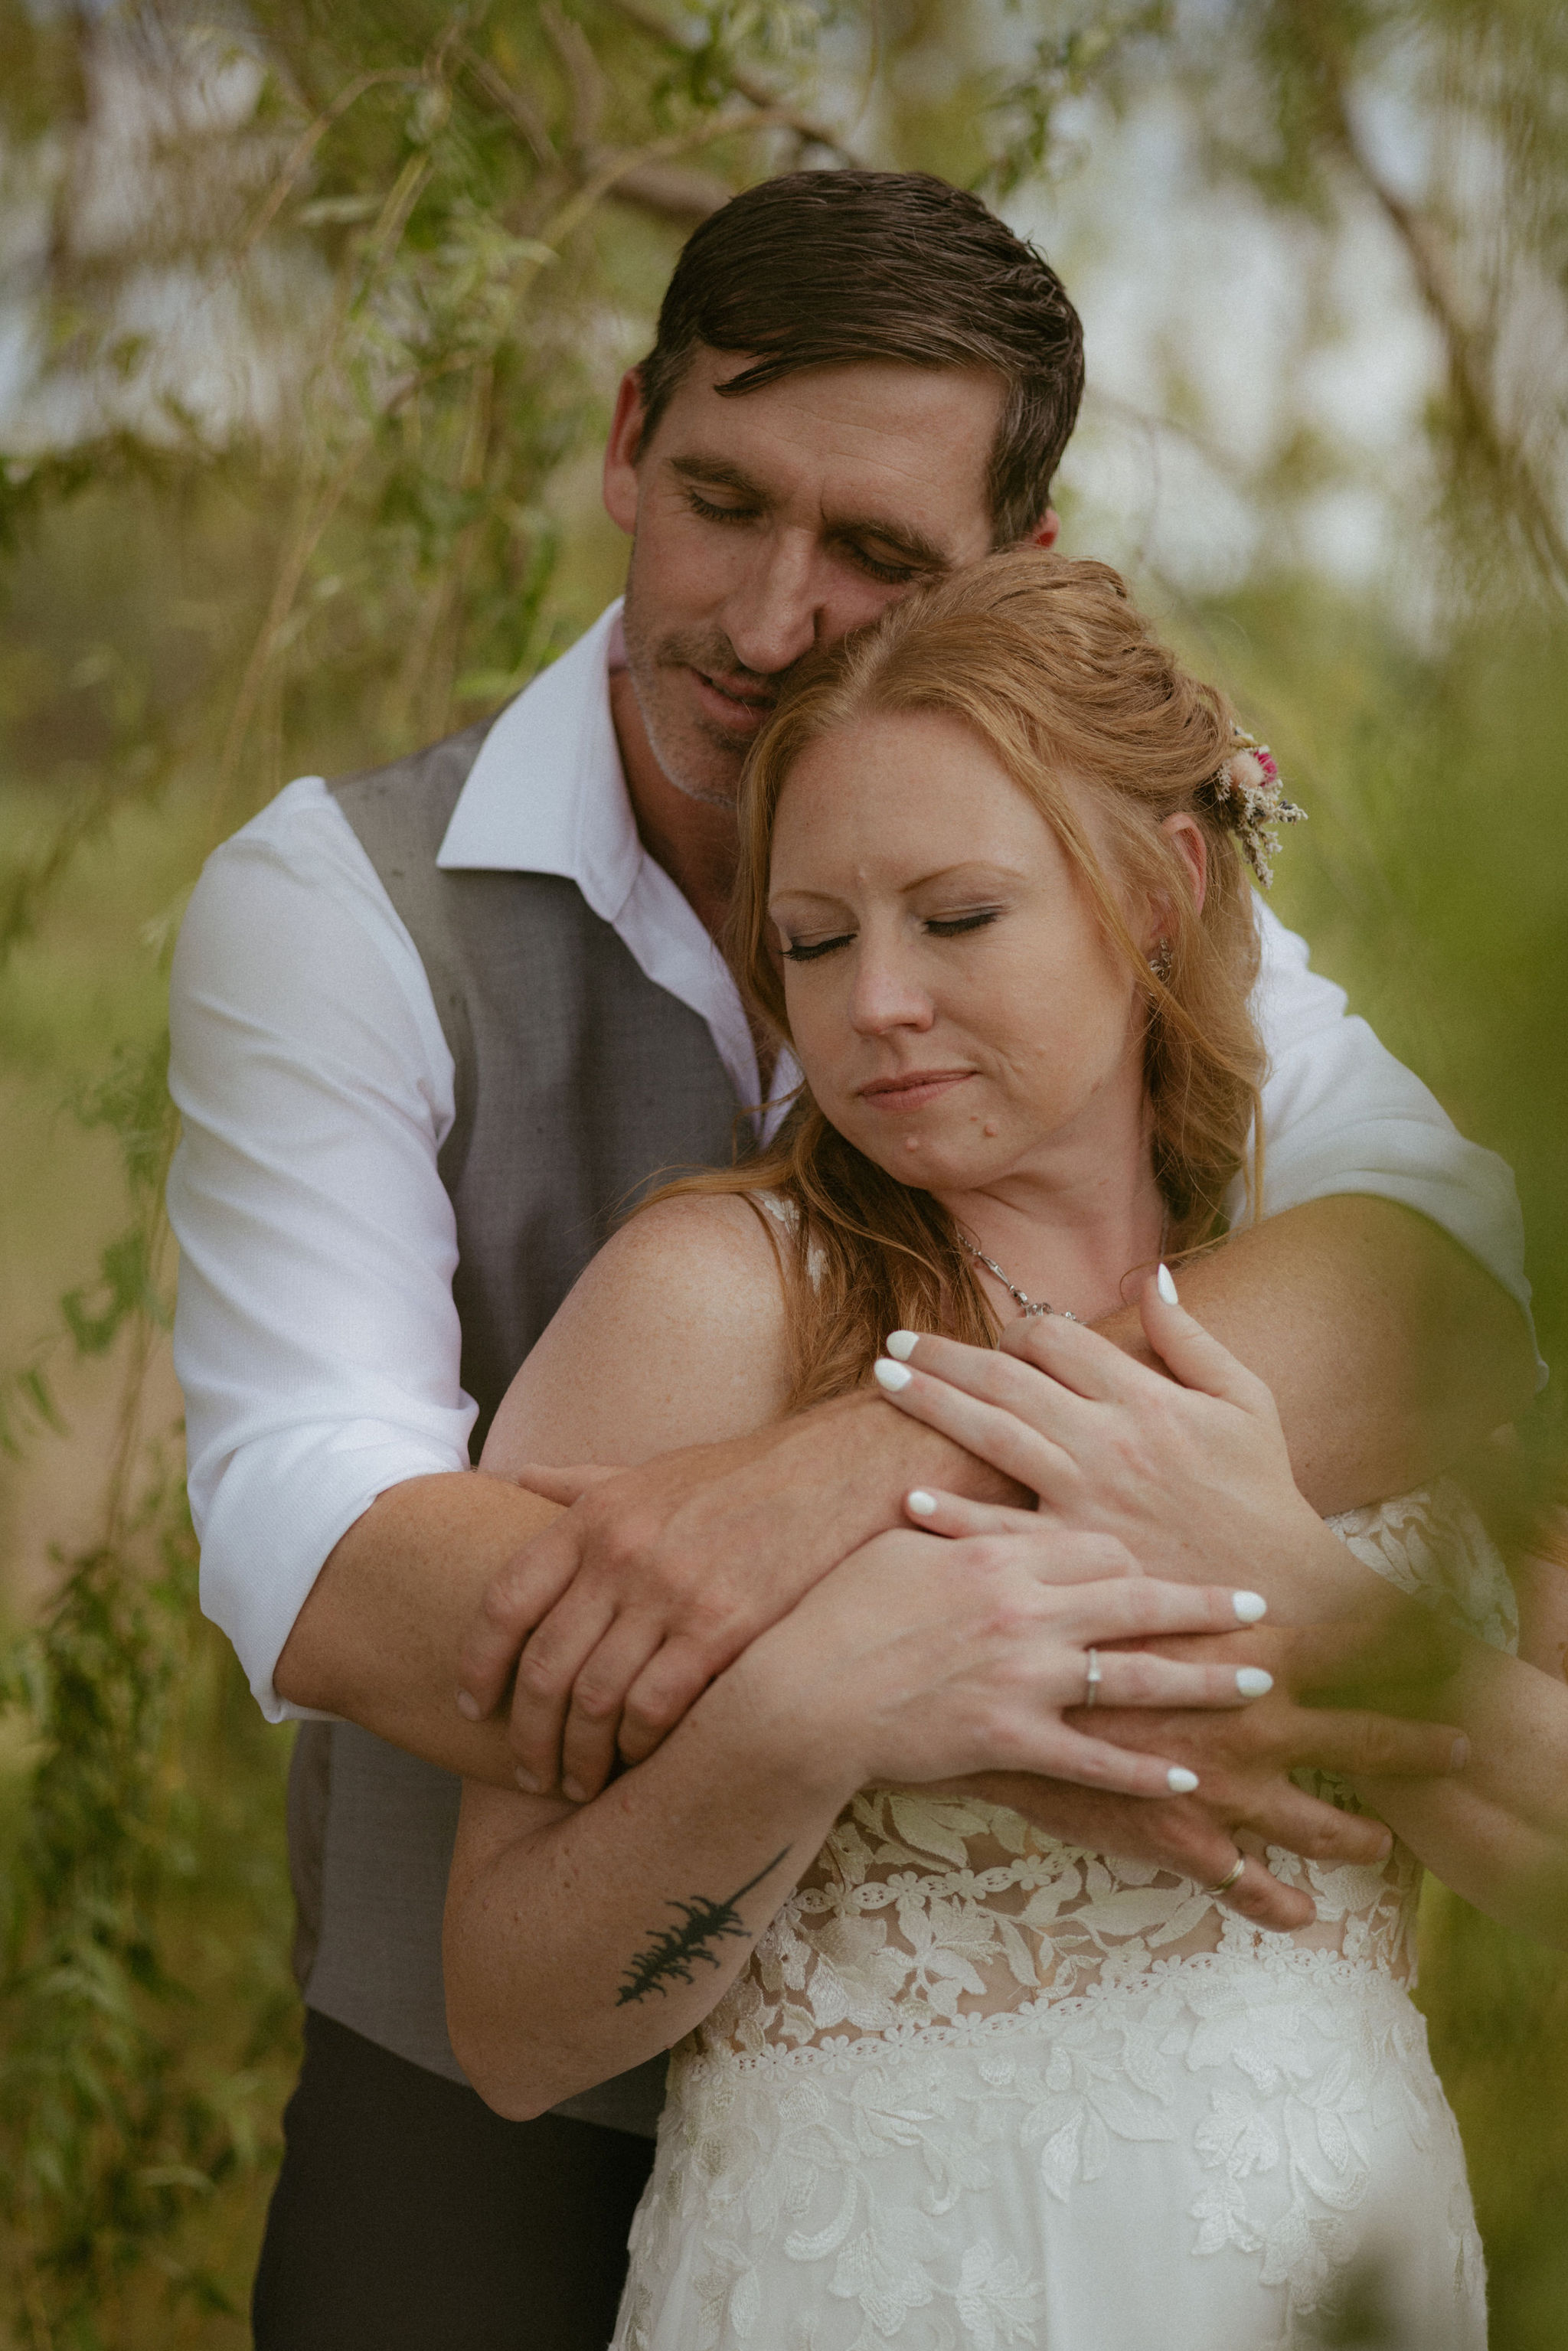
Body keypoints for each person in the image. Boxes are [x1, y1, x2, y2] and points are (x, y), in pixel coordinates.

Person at [165, 173, 1535, 2346]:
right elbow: (317, 1541)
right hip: (495, 2133)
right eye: (722, 499)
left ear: (1017, 569)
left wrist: (847, 1472)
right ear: (629, 441)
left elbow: (1457, 1280)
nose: (771, 611)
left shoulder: (1144, 914)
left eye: (881, 553)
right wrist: (882, 1696)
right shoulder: (339, 909)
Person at [444, 550, 1554, 2348]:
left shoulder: (1355, 1307)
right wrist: (813, 1718)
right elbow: (510, 2020)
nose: (873, 1004)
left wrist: (1310, 1612)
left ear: (1153, 889)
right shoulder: (704, 1307)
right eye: (813, 941)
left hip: (1332, 2271)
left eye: (955, 919)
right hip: (862, 2287)